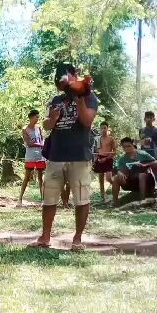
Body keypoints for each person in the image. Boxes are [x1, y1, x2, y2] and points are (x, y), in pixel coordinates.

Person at [31, 67, 98, 250]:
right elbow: (45, 124)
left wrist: (80, 101)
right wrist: (51, 120)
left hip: (79, 156)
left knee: (81, 198)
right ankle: (45, 237)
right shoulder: (56, 100)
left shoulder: (89, 97)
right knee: (49, 198)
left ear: (74, 76)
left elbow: (86, 121)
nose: (62, 80)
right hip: (56, 156)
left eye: (65, 76)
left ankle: (77, 239)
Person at [112, 137, 157, 207]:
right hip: (131, 182)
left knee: (141, 175)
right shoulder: (122, 159)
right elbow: (117, 169)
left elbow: (154, 162)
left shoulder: (143, 154)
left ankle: (142, 200)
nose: (127, 148)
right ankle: (115, 202)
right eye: (124, 147)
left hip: (145, 180)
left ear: (133, 145)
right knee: (116, 178)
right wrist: (119, 172)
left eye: (129, 146)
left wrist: (145, 165)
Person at [18, 109, 45, 206]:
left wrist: (42, 145)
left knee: (41, 177)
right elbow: (29, 143)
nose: (38, 119)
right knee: (27, 177)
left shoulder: (39, 127)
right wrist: (40, 144)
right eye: (36, 117)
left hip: (40, 155)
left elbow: (42, 139)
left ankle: (43, 200)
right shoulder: (25, 129)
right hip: (30, 155)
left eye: (38, 117)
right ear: (31, 117)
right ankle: (20, 199)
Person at [93, 121, 116, 202]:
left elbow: (115, 151)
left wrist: (106, 158)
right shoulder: (98, 139)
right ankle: (103, 196)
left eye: (104, 128)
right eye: (101, 128)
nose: (103, 130)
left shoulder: (111, 138)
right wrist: (96, 159)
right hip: (99, 158)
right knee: (100, 179)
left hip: (108, 159)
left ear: (107, 128)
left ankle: (116, 187)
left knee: (109, 178)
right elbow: (96, 151)